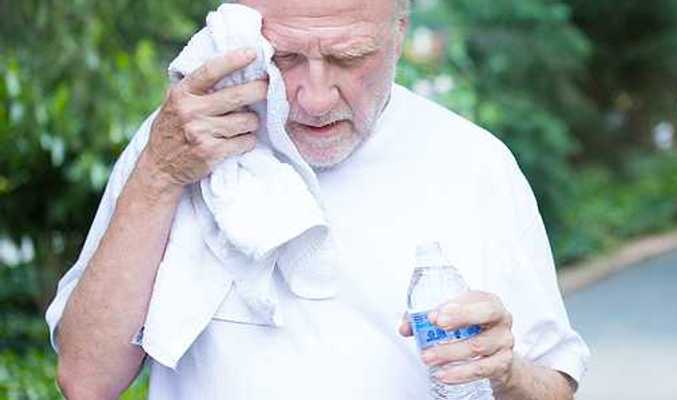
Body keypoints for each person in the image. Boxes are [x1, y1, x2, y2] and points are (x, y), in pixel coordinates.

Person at [44, 0, 589, 398]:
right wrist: (161, 175)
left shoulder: (474, 163)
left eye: (350, 58)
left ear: (398, 33)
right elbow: (85, 380)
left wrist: (506, 372)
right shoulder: (178, 142)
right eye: (283, 59)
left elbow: (553, 384)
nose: (314, 97)